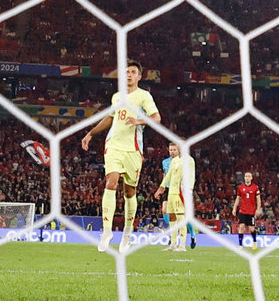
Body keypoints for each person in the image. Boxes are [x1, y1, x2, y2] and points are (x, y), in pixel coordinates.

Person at [81, 60, 161, 253]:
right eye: (126, 72)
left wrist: (140, 120)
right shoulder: (117, 97)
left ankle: (126, 235)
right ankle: (106, 232)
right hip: (114, 145)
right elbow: (110, 117)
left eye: (133, 72)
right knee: (111, 183)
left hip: (133, 149)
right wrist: (91, 133)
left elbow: (156, 118)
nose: (129, 75)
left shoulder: (144, 96)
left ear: (139, 77)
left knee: (129, 192)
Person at [154, 142, 195, 252]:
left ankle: (182, 245)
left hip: (180, 193)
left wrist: (189, 190)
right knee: (172, 218)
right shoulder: (174, 161)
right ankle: (172, 244)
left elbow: (192, 176)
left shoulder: (189, 160)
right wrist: (161, 188)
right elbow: (168, 176)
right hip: (171, 193)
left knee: (181, 218)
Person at [232, 171, 262, 246]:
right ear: (244, 178)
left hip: (251, 211)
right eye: (246, 176)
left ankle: (254, 241)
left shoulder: (255, 187)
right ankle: (240, 245)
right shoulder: (240, 187)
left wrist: (258, 209)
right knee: (241, 227)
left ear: (251, 178)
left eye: (249, 176)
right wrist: (234, 208)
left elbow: (258, 199)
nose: (247, 178)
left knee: (251, 229)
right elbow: (237, 198)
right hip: (242, 211)